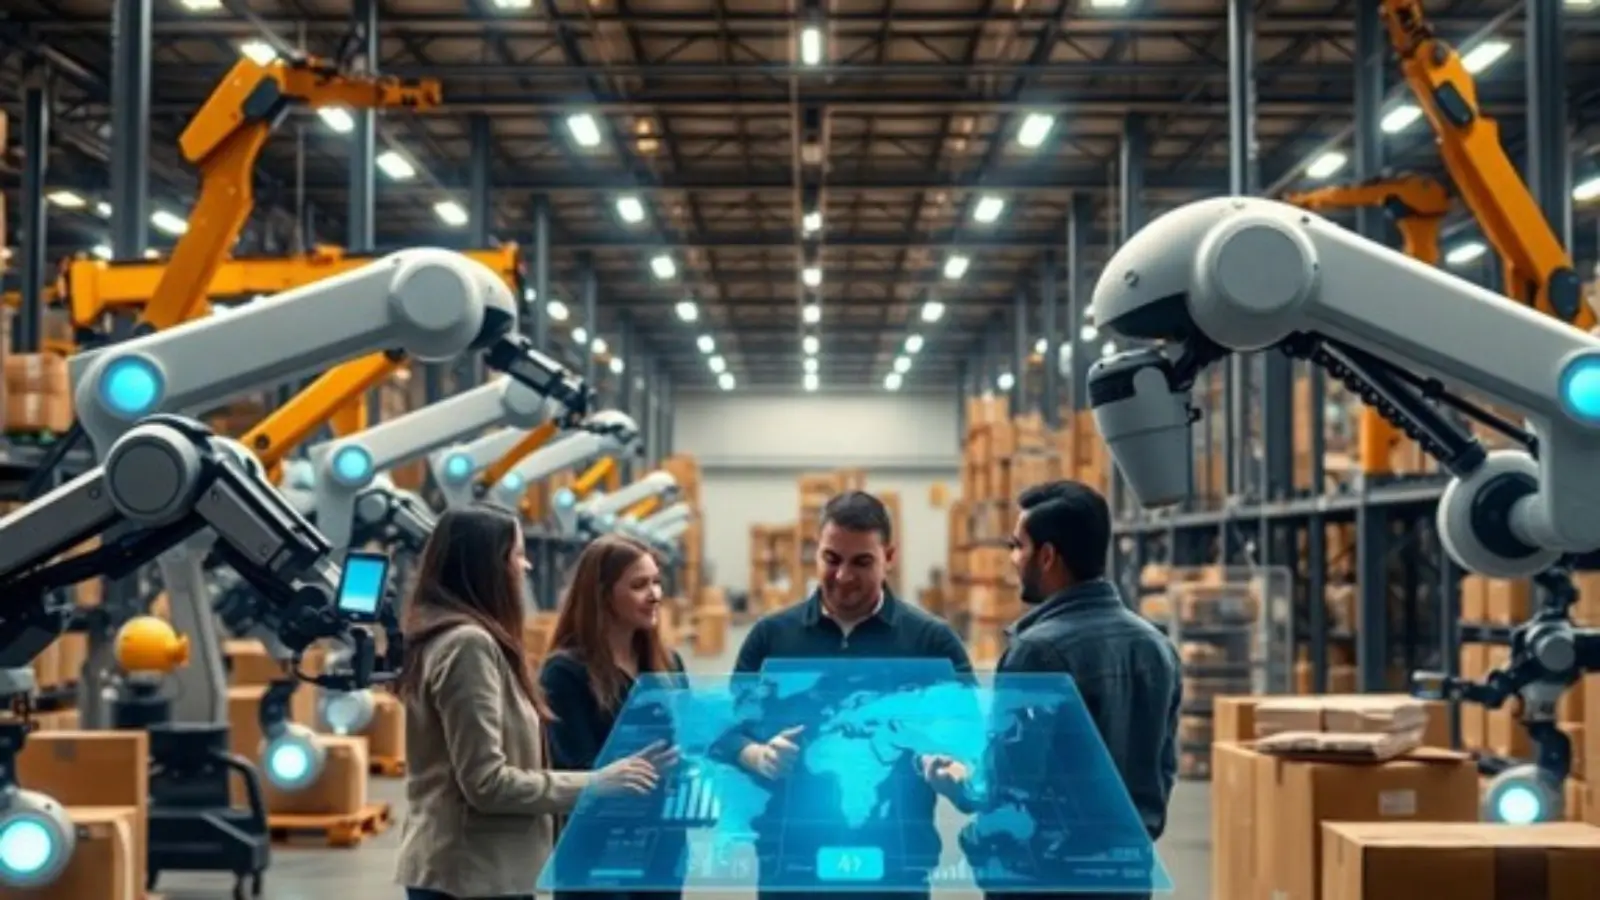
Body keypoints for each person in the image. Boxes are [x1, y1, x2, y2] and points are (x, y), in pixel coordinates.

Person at [394, 505, 673, 900]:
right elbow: (487, 783)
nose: (525, 567)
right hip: (472, 874)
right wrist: (598, 783)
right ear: (488, 566)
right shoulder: (468, 645)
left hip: (483, 872)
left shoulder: (462, 640)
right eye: (517, 555)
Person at [922, 480, 1181, 900]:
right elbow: (1162, 770)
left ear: (1047, 556)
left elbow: (1007, 788)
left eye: (1017, 546)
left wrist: (959, 786)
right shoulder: (1156, 647)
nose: (1012, 560)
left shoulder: (1037, 653)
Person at [715, 490, 973, 900]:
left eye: (862, 562)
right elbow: (725, 734)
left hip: (896, 868)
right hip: (790, 865)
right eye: (831, 559)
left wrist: (955, 773)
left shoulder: (932, 643)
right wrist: (758, 756)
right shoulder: (771, 637)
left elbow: (970, 742)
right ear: (815, 553)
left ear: (890, 556)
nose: (843, 576)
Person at [540, 533, 686, 900]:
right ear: (603, 595)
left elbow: (689, 743)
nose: (654, 594)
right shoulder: (566, 673)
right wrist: (636, 769)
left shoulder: (669, 666)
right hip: (596, 855)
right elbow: (572, 768)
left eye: (656, 582)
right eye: (639, 585)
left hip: (663, 848)